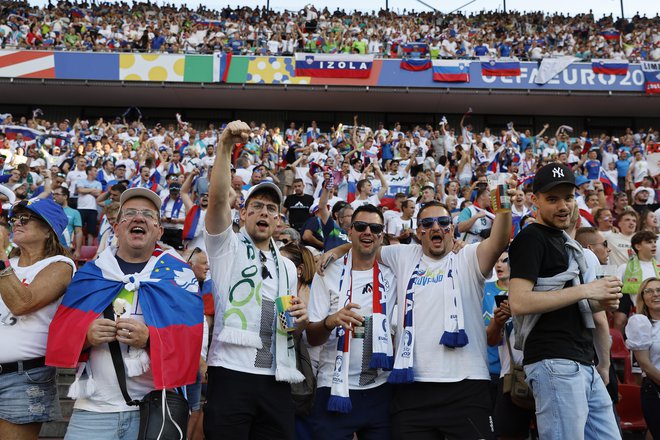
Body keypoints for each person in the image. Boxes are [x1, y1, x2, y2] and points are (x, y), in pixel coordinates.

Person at [46, 187, 204, 440]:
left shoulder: (180, 276)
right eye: (129, 213)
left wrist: (151, 339)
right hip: (93, 410)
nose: (138, 218)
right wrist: (86, 335)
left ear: (159, 231)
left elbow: (191, 344)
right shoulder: (90, 274)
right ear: (117, 227)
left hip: (154, 411)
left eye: (148, 215)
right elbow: (60, 332)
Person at [204, 120, 309, 440]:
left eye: (271, 208)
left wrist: (301, 321)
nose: (264, 212)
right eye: (257, 206)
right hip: (231, 373)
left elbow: (287, 324)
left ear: (279, 219)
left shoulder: (288, 267)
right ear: (244, 214)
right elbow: (219, 199)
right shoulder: (226, 246)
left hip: (276, 377)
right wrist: (224, 147)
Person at [508, 163, 622, 440]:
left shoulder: (563, 241)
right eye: (552, 199)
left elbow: (574, 303)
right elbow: (519, 303)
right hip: (554, 360)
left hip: (582, 359)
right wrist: (586, 291)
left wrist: (601, 299)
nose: (563, 206)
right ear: (534, 200)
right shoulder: (530, 238)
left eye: (569, 197)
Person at [306, 204, 396, 440]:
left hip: (380, 389)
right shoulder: (327, 272)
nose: (368, 232)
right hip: (335, 387)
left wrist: (338, 249)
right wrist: (329, 322)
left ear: (382, 235)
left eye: (375, 228)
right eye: (361, 226)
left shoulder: (394, 270)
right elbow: (312, 337)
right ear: (350, 231)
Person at [0, 198, 75, 440]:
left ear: (48, 229)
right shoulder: (6, 264)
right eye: (14, 219)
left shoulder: (61, 265)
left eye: (25, 219)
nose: (16, 224)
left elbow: (23, 303)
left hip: (23, 378)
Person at [625, 277, 660, 440]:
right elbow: (645, 364)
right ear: (642, 297)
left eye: (659, 290)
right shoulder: (640, 323)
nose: (655, 294)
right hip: (655, 388)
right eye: (649, 291)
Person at [614, 230, 660, 334]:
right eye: (649, 242)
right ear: (638, 246)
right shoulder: (625, 268)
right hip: (635, 315)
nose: (654, 245)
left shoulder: (659, 267)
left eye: (654, 242)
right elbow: (614, 289)